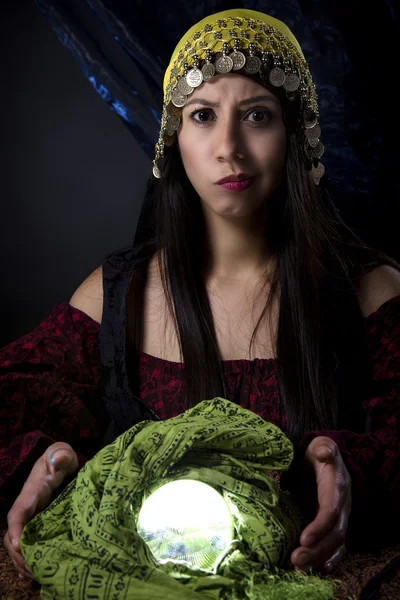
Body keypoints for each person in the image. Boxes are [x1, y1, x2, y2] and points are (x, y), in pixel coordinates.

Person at [2, 7, 400, 585]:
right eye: (204, 115)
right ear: (173, 139)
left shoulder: (371, 292)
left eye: (258, 116)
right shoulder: (120, 296)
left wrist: (350, 470)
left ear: (297, 135)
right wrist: (52, 459)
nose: (228, 148)